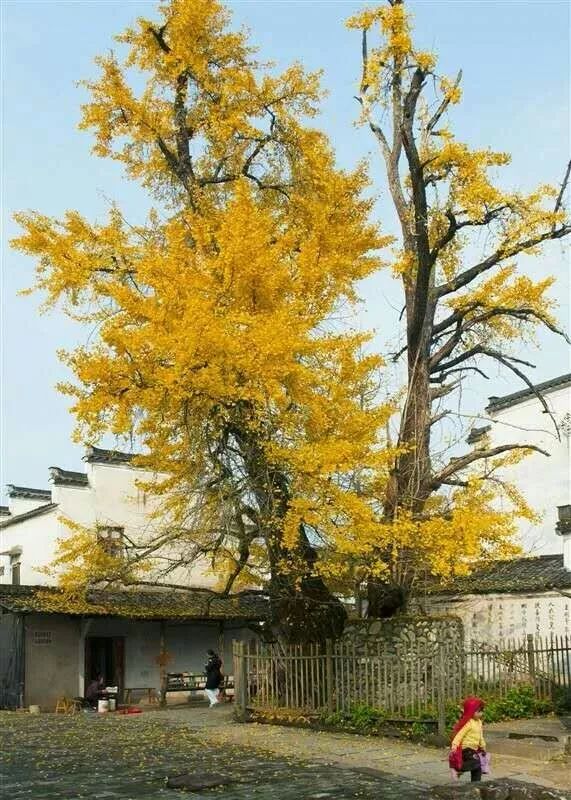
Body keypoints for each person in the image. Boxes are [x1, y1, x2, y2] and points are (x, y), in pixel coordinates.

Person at [449, 696, 487, 782]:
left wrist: (483, 745)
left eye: (482, 711)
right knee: (476, 761)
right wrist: (454, 746)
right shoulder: (468, 723)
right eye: (478, 711)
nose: (481, 714)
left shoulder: (479, 722)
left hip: (474, 748)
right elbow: (459, 735)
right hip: (466, 749)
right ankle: (458, 769)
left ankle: (476, 784)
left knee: (478, 767)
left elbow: (480, 735)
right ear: (471, 711)